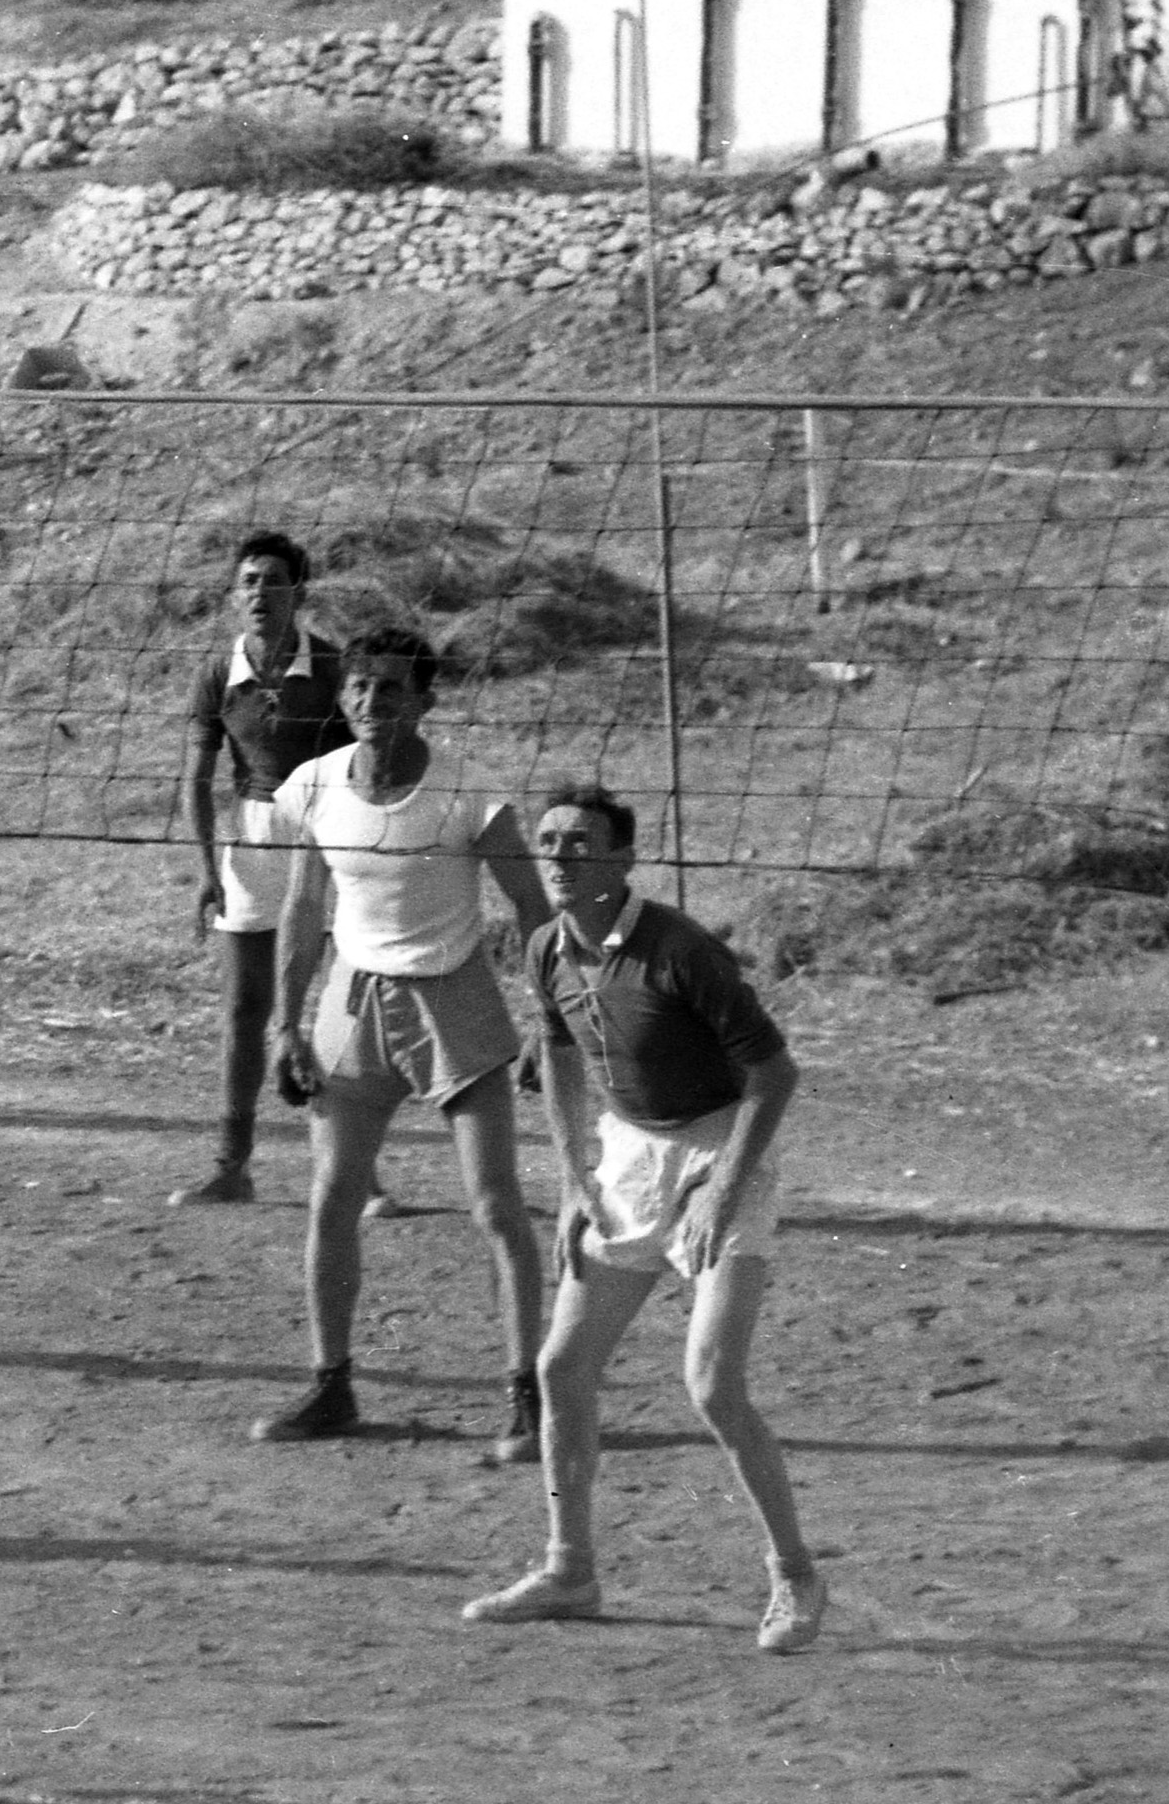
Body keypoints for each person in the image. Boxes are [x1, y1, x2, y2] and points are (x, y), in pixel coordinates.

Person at [466, 786, 828, 1652]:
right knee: (560, 1367)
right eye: (548, 842)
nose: (558, 857)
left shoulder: (681, 951)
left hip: (719, 1148)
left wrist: (723, 1188)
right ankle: (569, 1569)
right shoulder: (547, 945)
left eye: (580, 843)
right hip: (626, 1153)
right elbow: (554, 1046)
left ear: (624, 859)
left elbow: (774, 1076)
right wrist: (573, 1178)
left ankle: (796, 1576)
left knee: (712, 1383)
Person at [262, 626, 559, 1463]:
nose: (368, 702)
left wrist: (547, 1020)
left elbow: (536, 916)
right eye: (357, 686)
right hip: (351, 1003)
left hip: (453, 1000)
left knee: (496, 1204)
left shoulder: (470, 796)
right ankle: (331, 1384)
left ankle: (525, 1396)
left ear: (424, 701)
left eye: (389, 688)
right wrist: (286, 1022)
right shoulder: (315, 785)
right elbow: (302, 909)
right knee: (332, 1195)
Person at [172, 531, 348, 1208]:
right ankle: (231, 1165)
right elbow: (194, 779)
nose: (258, 593)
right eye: (247, 581)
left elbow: (360, 759)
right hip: (249, 835)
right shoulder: (219, 675)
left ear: (299, 593)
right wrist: (205, 869)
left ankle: (356, 1173)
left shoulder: (332, 669)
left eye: (273, 581)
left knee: (330, 1007)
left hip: (320, 834)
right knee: (247, 1007)